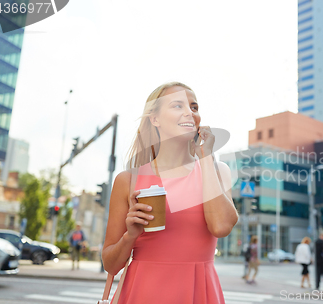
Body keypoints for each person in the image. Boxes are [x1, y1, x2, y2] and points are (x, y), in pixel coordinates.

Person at [101, 82, 238, 304]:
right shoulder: (128, 181)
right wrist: (130, 235)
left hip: (199, 293)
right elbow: (110, 264)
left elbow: (221, 227)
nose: (189, 113)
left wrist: (205, 159)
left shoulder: (217, 171)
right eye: (177, 105)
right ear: (154, 119)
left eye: (194, 107)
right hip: (142, 292)